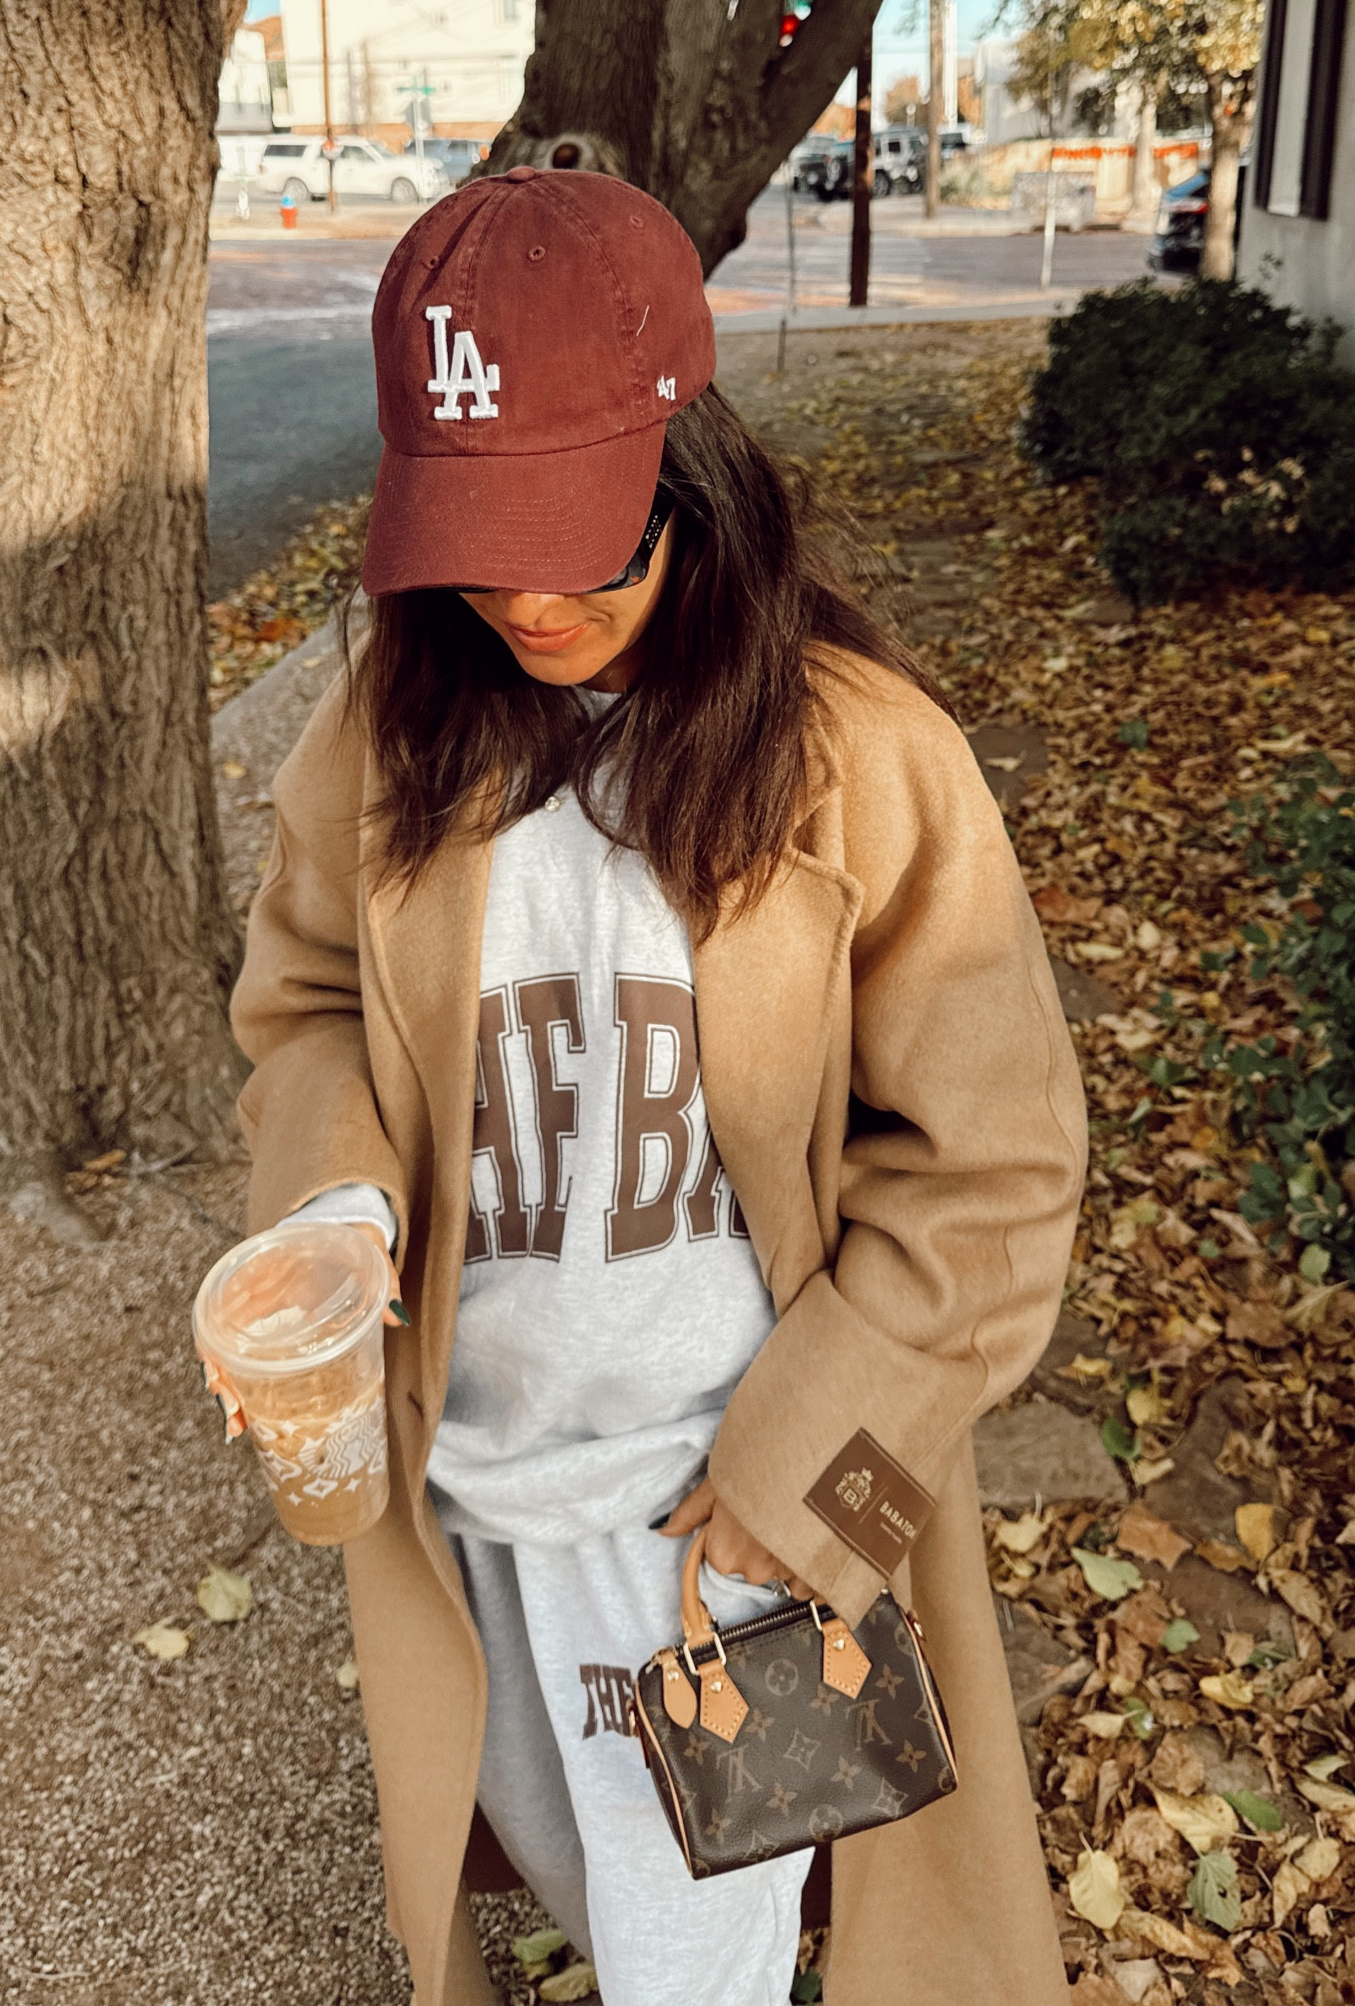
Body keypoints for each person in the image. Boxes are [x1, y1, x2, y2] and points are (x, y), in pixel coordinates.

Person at [227, 167, 1087, 2006]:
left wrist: (814, 1471)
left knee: (701, 1946)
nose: (529, 594)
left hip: (724, 1519)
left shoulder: (868, 765)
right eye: (477, 536)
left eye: (584, 534)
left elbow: (995, 1172)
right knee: (569, 1872)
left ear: (691, 466)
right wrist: (335, 1207)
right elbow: (299, 1002)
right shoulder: (388, 729)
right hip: (470, 1501)